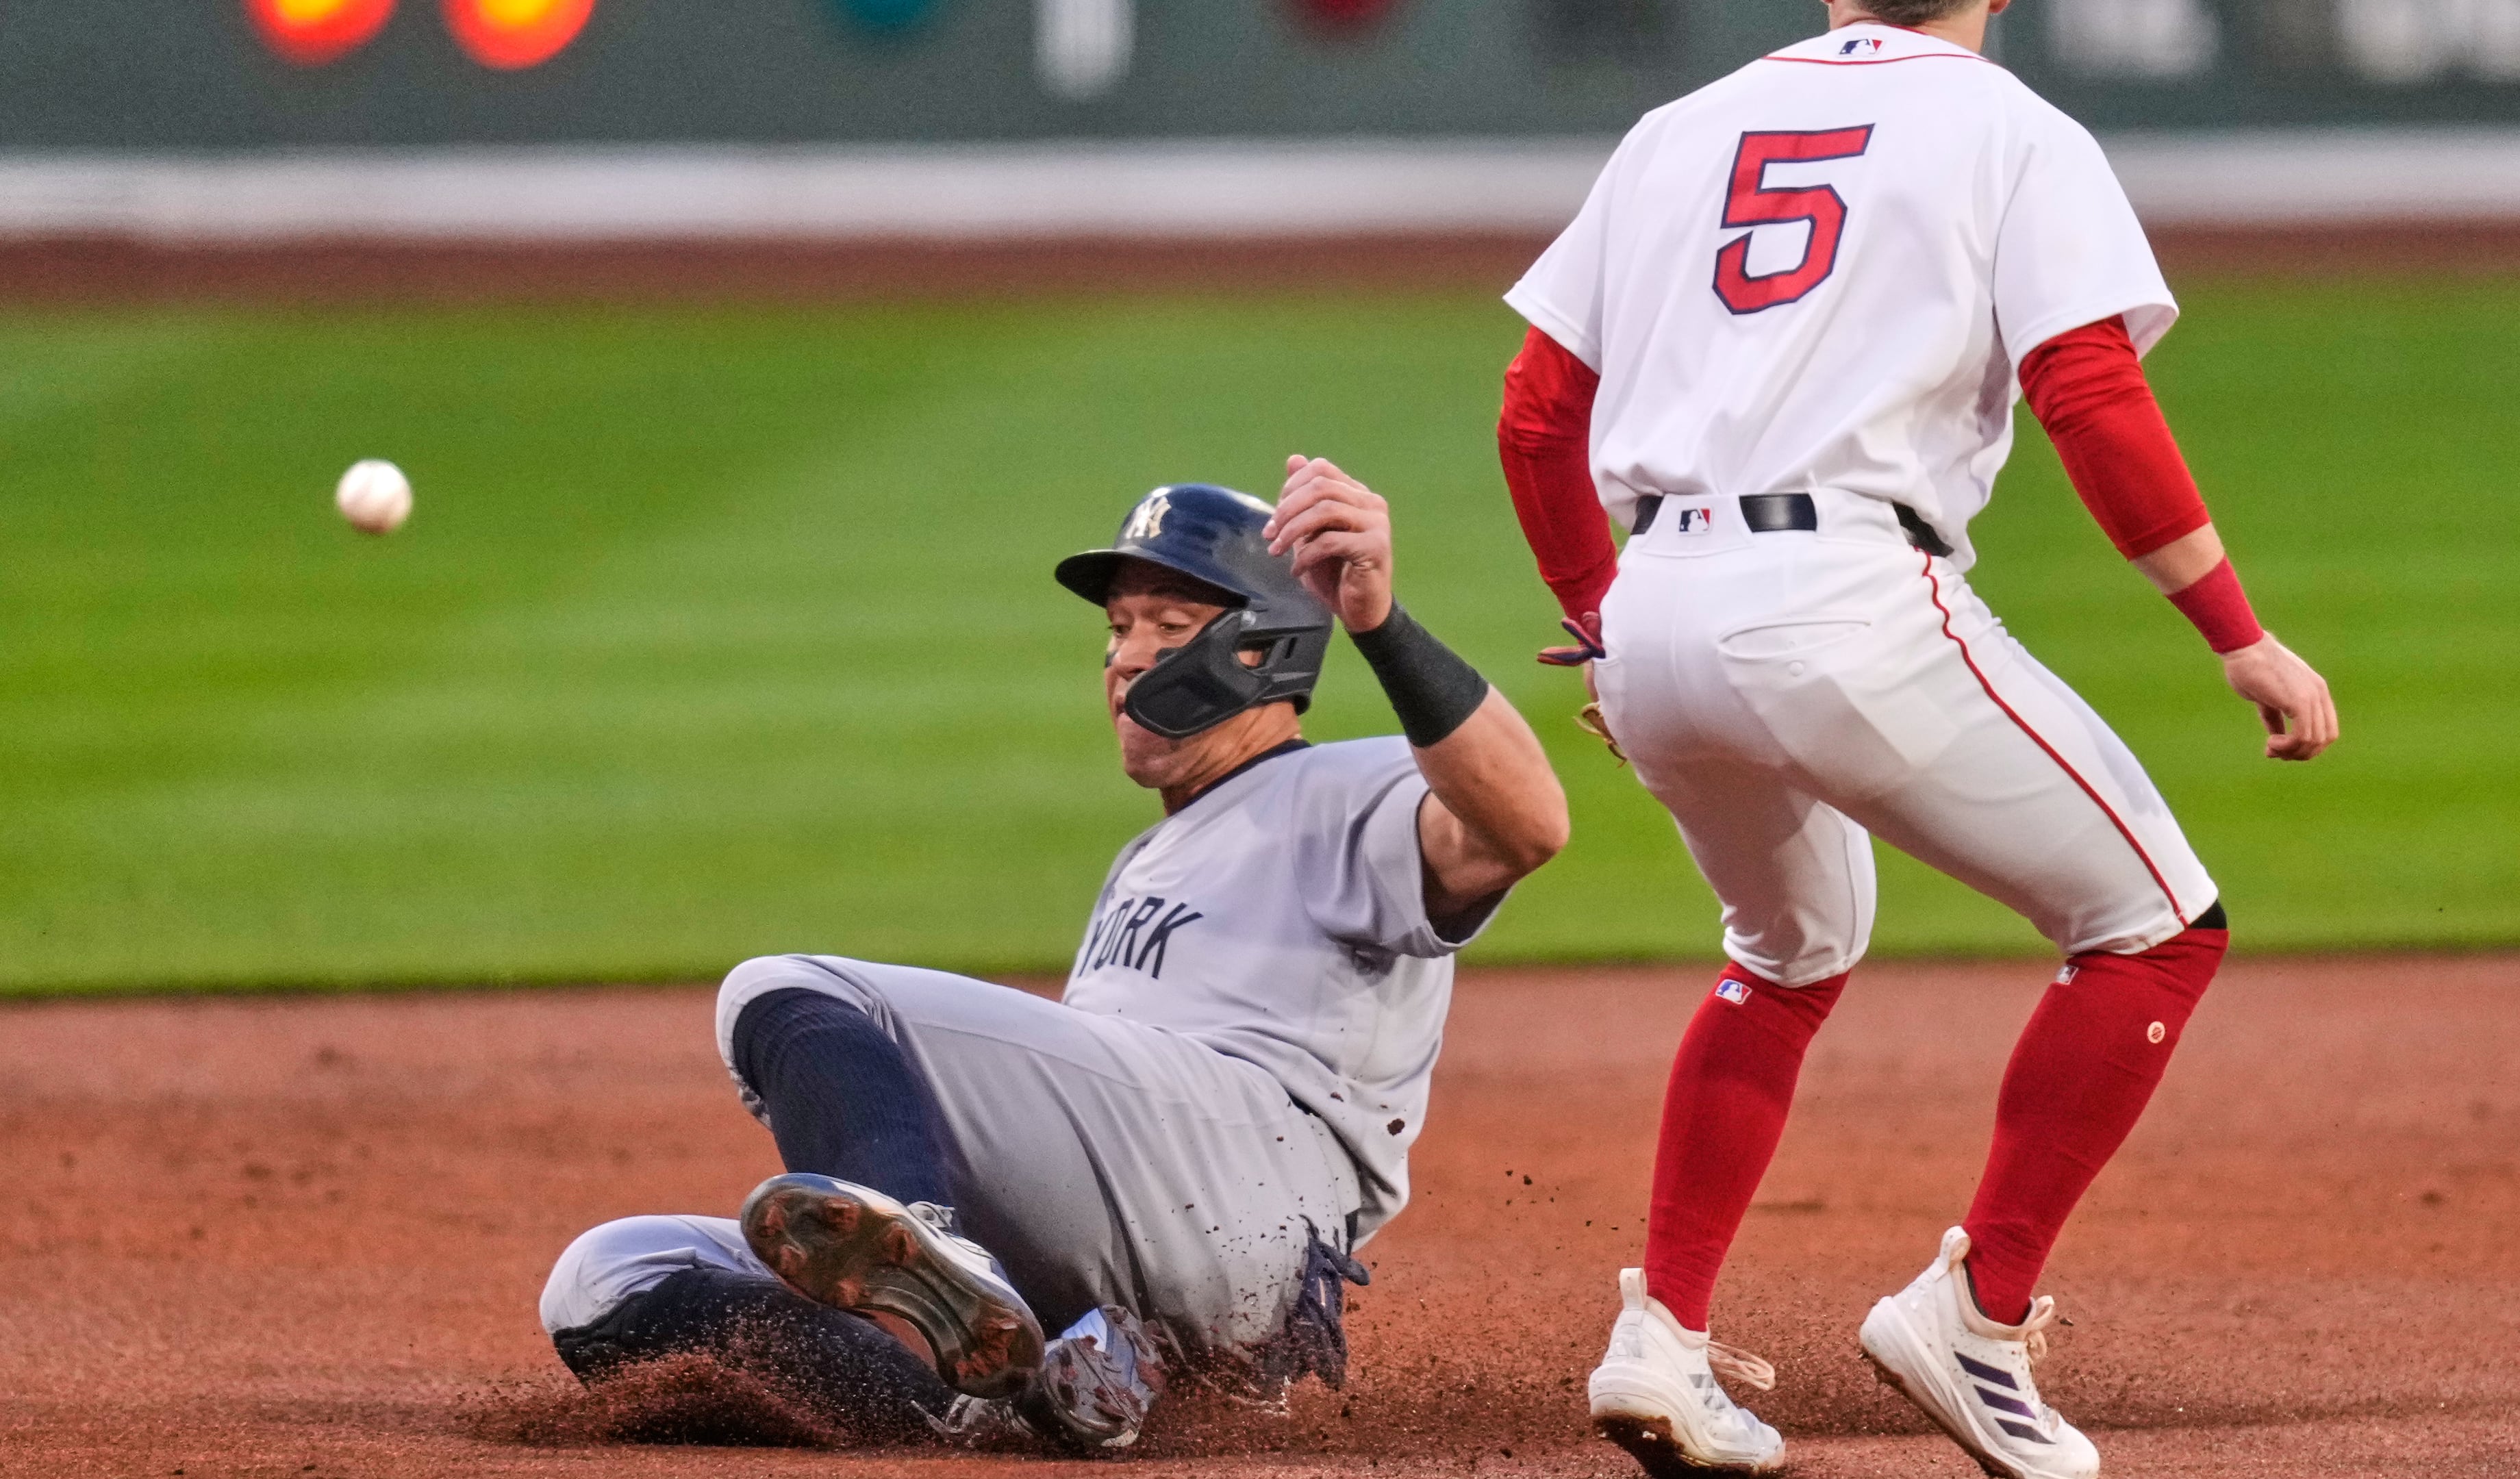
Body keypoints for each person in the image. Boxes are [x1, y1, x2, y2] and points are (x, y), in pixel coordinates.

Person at [1494, 2, 2339, 1476]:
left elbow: (1534, 416)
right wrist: (2238, 632)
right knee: (2154, 925)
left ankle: (1664, 1343)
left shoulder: (1674, 132)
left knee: (1786, 951)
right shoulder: (2011, 128)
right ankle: (1980, 1318)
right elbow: (2087, 390)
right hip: (1844, 595)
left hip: (1660, 599)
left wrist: (1605, 616)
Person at [536, 462, 1570, 1451]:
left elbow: (1525, 825)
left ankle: (935, 1253)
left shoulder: (1347, 790)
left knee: (788, 993)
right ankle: (1004, 1399)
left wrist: (1378, 623)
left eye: (1171, 627)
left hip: (1249, 1183)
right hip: (1148, 1222)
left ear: (1264, 653)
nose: (1126, 656)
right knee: (609, 1278)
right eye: (1120, 629)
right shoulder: (1149, 855)